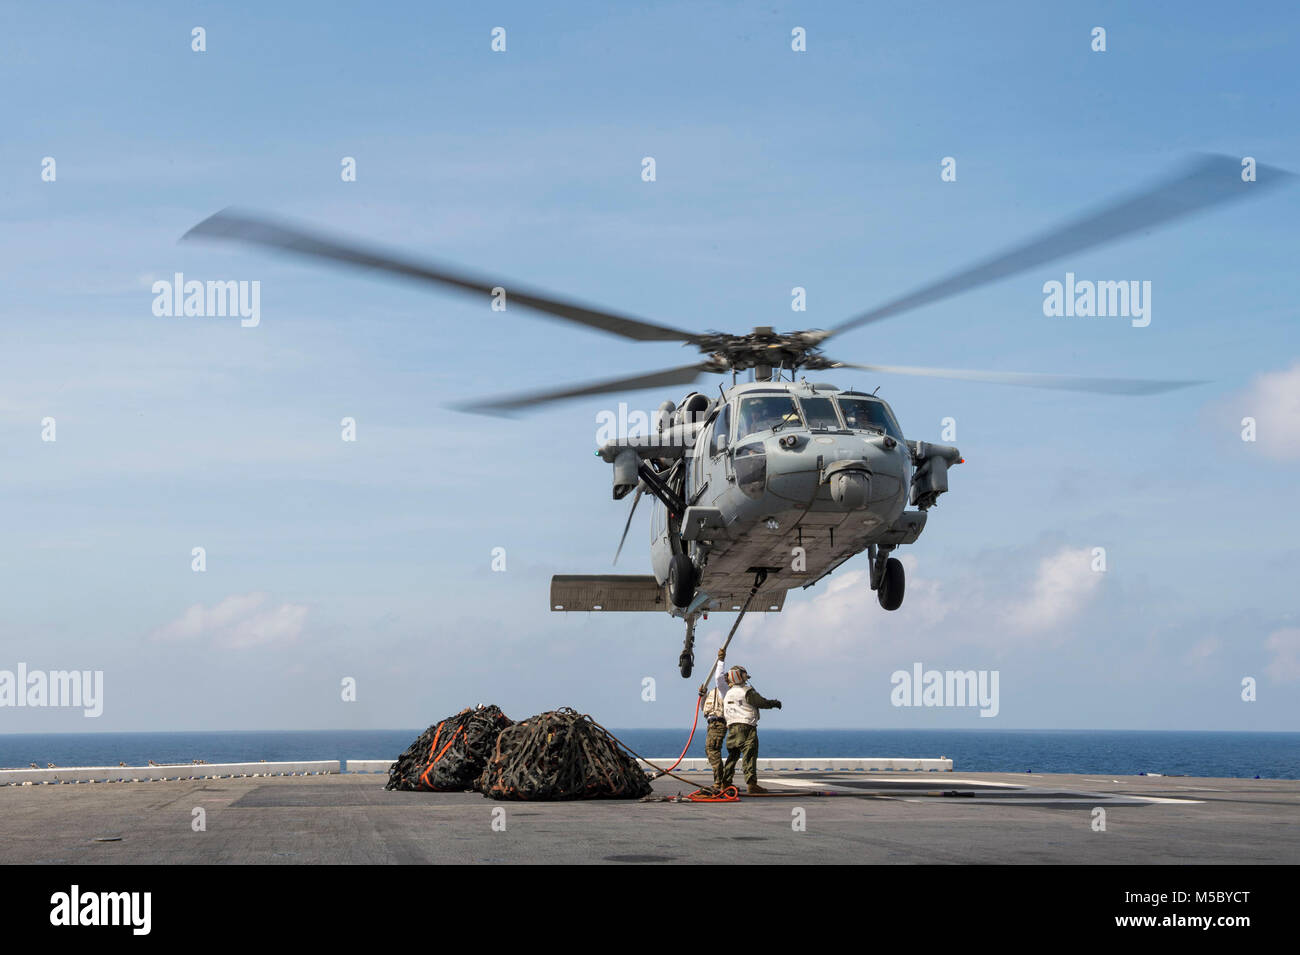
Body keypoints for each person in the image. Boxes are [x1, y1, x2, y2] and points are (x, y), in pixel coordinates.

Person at [720, 665, 782, 795]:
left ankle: (725, 783)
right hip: (746, 727)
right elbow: (761, 702)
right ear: (739, 676)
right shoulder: (746, 691)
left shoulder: (728, 694)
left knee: (733, 756)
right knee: (749, 756)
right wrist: (774, 703)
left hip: (731, 728)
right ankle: (752, 784)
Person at [698, 649, 730, 792]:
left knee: (713, 750)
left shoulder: (727, 692)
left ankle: (719, 782)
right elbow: (704, 708)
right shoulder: (713, 692)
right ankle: (721, 781)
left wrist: (721, 660)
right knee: (710, 750)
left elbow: (718, 677)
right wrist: (703, 695)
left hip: (718, 723)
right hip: (711, 723)